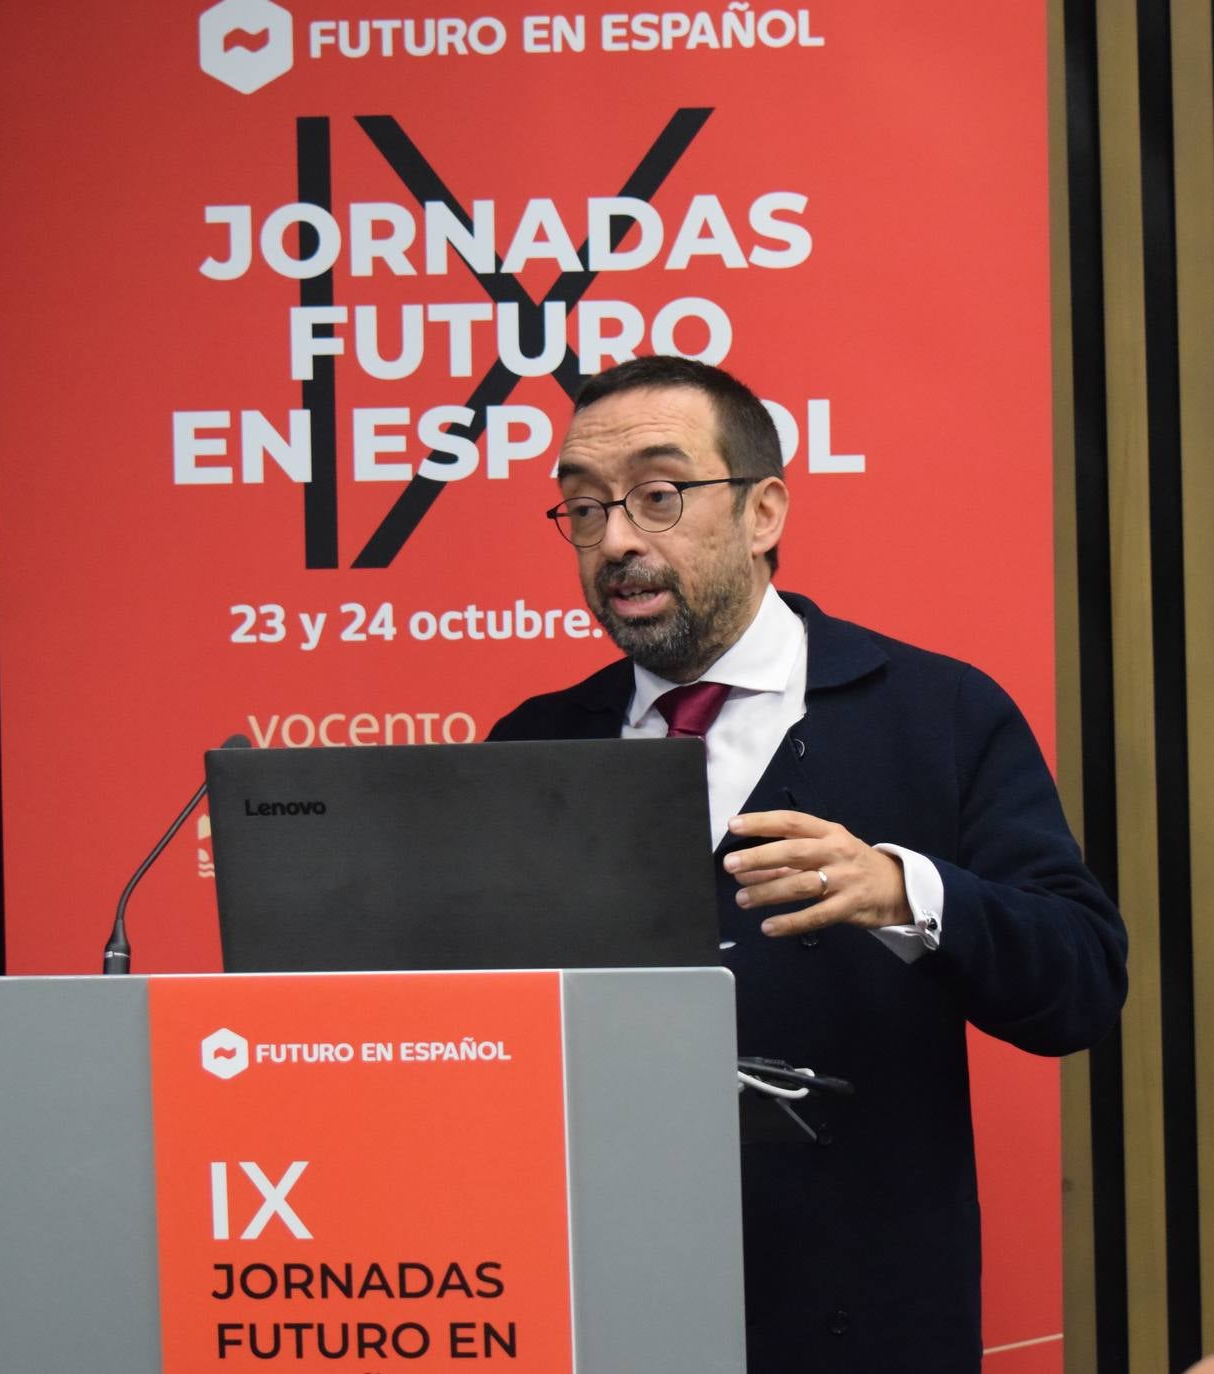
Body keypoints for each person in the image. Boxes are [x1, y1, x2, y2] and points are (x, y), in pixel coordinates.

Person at [488, 355, 1127, 1372]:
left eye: (658, 496)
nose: (616, 541)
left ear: (763, 511)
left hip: (855, 1312)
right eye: (581, 508)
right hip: (597, 1303)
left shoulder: (937, 715)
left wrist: (903, 893)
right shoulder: (533, 745)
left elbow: (1082, 985)